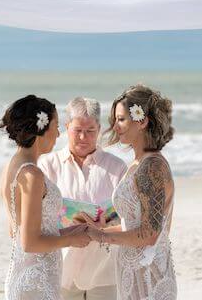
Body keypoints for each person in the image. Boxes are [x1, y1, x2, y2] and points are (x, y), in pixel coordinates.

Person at [0, 95, 91, 300]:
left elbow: (17, 232)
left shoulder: (10, 168)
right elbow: (29, 242)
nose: (59, 132)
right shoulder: (32, 175)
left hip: (27, 275)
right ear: (40, 128)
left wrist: (74, 229)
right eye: (55, 125)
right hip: (36, 282)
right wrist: (71, 239)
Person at [86, 85, 177, 300]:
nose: (115, 127)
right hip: (133, 271)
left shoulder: (152, 167)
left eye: (121, 119)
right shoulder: (137, 164)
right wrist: (98, 227)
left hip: (149, 276)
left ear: (142, 121)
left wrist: (100, 236)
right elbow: (133, 225)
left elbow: (150, 234)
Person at [39, 97, 127, 300]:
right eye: (77, 130)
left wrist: (107, 225)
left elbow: (128, 218)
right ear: (66, 126)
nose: (83, 137)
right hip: (62, 269)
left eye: (90, 131)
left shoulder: (117, 167)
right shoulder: (47, 165)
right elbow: (38, 218)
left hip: (104, 270)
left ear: (99, 128)